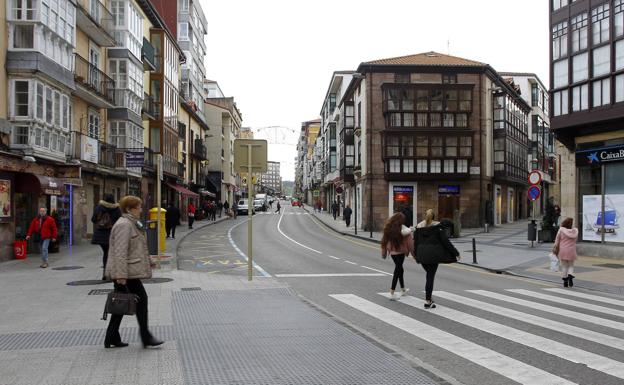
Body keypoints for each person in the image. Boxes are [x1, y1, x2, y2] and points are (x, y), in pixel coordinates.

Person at [104, 195, 164, 349]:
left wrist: (150, 261)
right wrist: (121, 276)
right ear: (129, 209)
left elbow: (137, 248)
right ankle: (146, 337)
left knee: (122, 302)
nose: (141, 209)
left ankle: (111, 336)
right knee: (140, 300)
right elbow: (120, 252)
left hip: (127, 271)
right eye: (139, 207)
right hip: (125, 273)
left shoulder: (132, 224)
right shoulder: (124, 225)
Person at [413, 209, 460, 309]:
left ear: (425, 216)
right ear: (434, 217)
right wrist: (456, 253)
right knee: (430, 277)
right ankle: (428, 300)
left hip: (422, 255)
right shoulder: (438, 227)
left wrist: (416, 256)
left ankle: (429, 299)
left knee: (428, 275)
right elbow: (445, 242)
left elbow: (415, 243)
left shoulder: (418, 227)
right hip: (434, 255)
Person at [381, 212, 413, 301]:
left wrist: (384, 253)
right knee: (398, 270)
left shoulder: (388, 228)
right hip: (401, 252)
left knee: (400, 269)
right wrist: (414, 254)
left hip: (392, 253)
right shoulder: (402, 228)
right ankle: (392, 292)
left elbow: (383, 242)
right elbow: (410, 243)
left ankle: (403, 289)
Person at [91, 194, 122, 280]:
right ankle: (109, 273)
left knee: (106, 253)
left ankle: (106, 273)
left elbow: (93, 219)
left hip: (100, 235)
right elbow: (120, 221)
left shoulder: (99, 208)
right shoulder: (117, 209)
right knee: (109, 253)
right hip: (112, 234)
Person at [553, 217, 578, 287]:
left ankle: (565, 282)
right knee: (571, 265)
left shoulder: (561, 230)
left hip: (563, 250)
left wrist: (555, 247)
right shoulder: (575, 231)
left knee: (564, 266)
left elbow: (557, 240)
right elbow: (575, 240)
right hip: (571, 250)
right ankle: (570, 275)